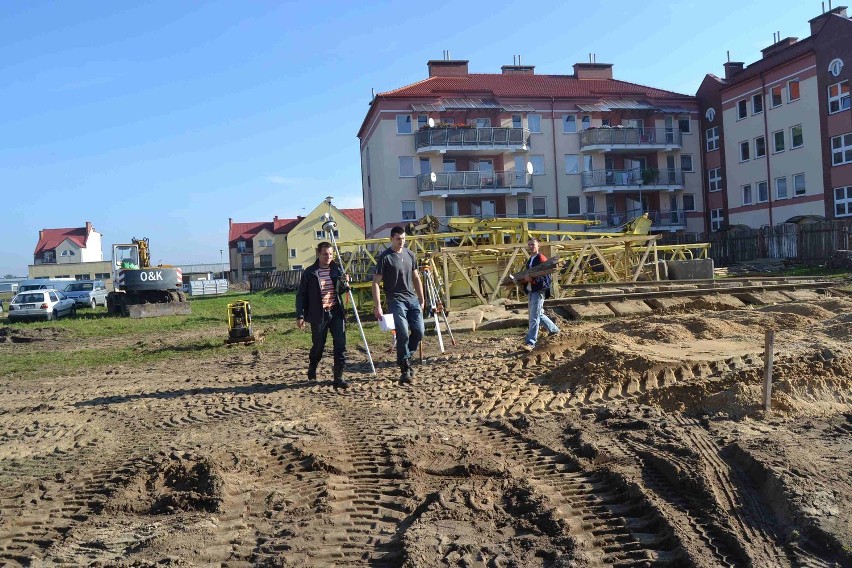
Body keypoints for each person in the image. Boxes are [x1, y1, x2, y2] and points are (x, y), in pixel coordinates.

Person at [372, 226, 425, 384]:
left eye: (403, 238)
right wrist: (378, 306)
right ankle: (405, 369)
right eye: (398, 239)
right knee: (402, 333)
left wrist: (422, 299)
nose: (401, 241)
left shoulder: (410, 255)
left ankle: (406, 357)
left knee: (419, 332)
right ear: (391, 239)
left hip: (412, 299)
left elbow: (416, 278)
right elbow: (375, 283)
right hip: (395, 300)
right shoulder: (385, 257)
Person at [295, 241, 349, 389]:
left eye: (331, 254)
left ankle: (338, 377)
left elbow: (341, 290)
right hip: (319, 315)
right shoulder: (310, 272)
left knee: (340, 344)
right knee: (318, 345)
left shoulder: (336, 269)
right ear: (318, 254)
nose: (328, 257)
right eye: (325, 254)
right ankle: (313, 366)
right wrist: (300, 316)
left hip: (336, 312)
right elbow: (301, 295)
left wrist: (345, 283)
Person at [520, 237, 559, 351]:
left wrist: (532, 281)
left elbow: (546, 278)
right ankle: (555, 330)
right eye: (529, 245)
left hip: (538, 290)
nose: (531, 246)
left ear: (538, 246)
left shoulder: (541, 259)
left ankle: (531, 342)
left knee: (533, 317)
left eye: (533, 244)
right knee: (539, 315)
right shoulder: (529, 261)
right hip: (532, 290)